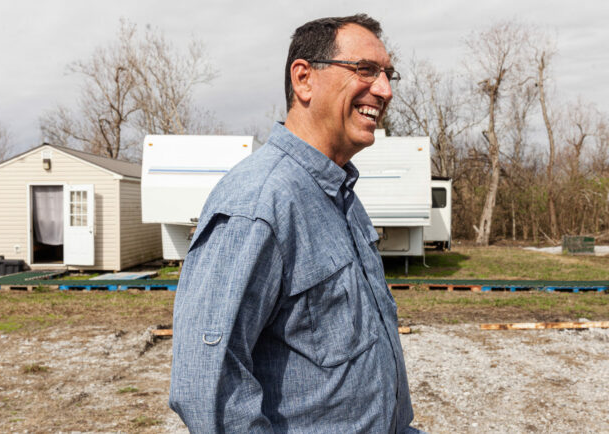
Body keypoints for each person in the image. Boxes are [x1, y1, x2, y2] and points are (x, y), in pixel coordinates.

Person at [169, 14, 422, 433]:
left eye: (388, 74)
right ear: (304, 79)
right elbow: (207, 387)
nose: (385, 90)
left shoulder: (342, 197)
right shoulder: (258, 204)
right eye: (365, 70)